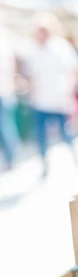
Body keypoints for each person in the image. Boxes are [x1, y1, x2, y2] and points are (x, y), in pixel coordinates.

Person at [28, 15, 78, 177]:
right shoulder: (35, 50)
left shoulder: (61, 48)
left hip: (59, 101)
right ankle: (45, 165)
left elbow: (75, 70)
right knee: (41, 136)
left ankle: (74, 157)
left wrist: (70, 91)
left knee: (65, 134)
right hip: (41, 101)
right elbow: (33, 75)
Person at [0, 24, 20, 170]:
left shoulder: (5, 38)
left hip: (4, 92)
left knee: (5, 127)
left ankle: (12, 158)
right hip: (6, 91)